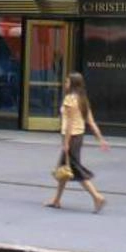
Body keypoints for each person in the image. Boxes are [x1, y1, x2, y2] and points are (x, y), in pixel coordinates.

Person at [45, 72, 110, 213]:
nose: (65, 84)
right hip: (79, 137)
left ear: (73, 84)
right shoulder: (83, 100)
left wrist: (66, 143)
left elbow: (69, 123)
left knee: (75, 170)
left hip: (71, 137)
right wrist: (100, 139)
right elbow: (91, 122)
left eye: (67, 82)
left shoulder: (69, 99)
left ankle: (97, 197)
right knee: (64, 169)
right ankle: (56, 200)